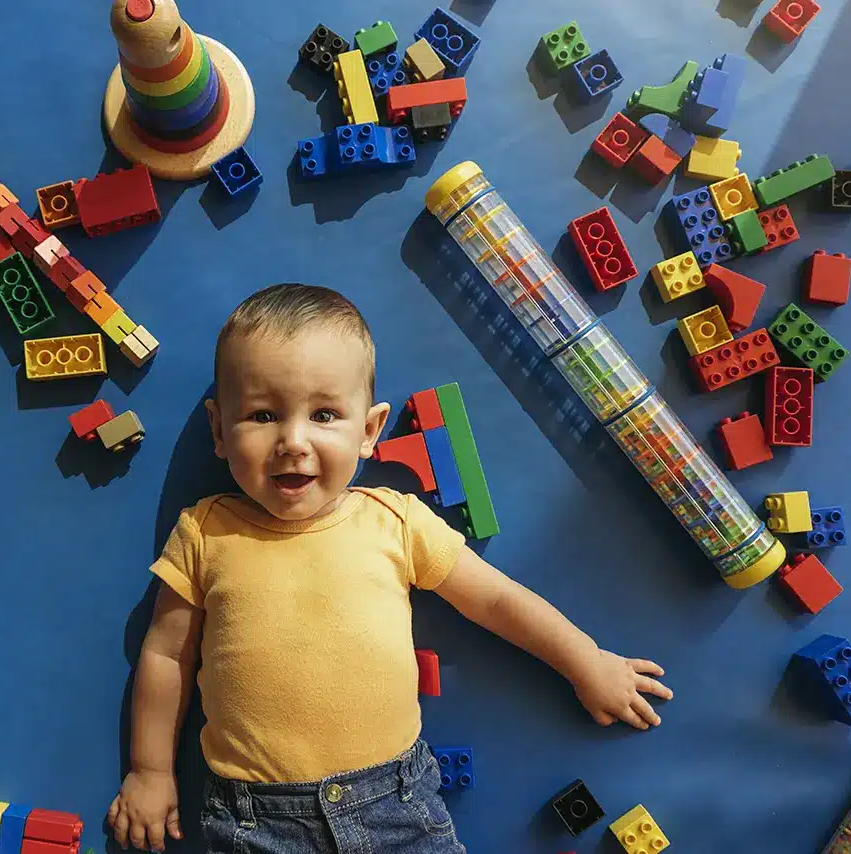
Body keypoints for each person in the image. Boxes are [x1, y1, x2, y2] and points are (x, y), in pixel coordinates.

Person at [107, 284, 673, 853]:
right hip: (255, 821)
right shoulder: (205, 532)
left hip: (395, 805)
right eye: (262, 415)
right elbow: (166, 655)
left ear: (369, 431)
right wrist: (150, 772)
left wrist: (584, 660)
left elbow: (496, 600)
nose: (293, 441)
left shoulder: (395, 521)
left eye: (324, 414)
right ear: (218, 430)